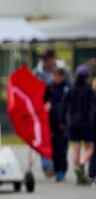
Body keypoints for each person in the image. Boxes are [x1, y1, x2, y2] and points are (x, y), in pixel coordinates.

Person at [34, 48, 73, 177]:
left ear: (53, 59)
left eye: (47, 59)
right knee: (47, 139)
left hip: (61, 115)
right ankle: (48, 166)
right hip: (45, 114)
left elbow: (71, 91)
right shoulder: (38, 73)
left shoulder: (64, 72)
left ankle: (60, 167)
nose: (45, 61)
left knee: (61, 143)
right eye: (43, 59)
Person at [60, 65, 95, 185]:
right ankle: (81, 163)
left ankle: (78, 172)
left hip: (73, 123)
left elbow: (64, 106)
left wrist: (63, 121)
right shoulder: (89, 90)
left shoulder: (71, 89)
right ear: (87, 77)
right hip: (86, 123)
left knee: (76, 148)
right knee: (90, 148)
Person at [43, 67, 70, 182]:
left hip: (63, 122)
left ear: (63, 77)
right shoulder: (50, 87)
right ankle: (56, 167)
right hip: (52, 121)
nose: (57, 78)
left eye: (59, 76)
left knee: (62, 147)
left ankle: (62, 170)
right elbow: (44, 100)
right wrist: (46, 104)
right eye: (55, 76)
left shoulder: (67, 87)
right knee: (54, 146)